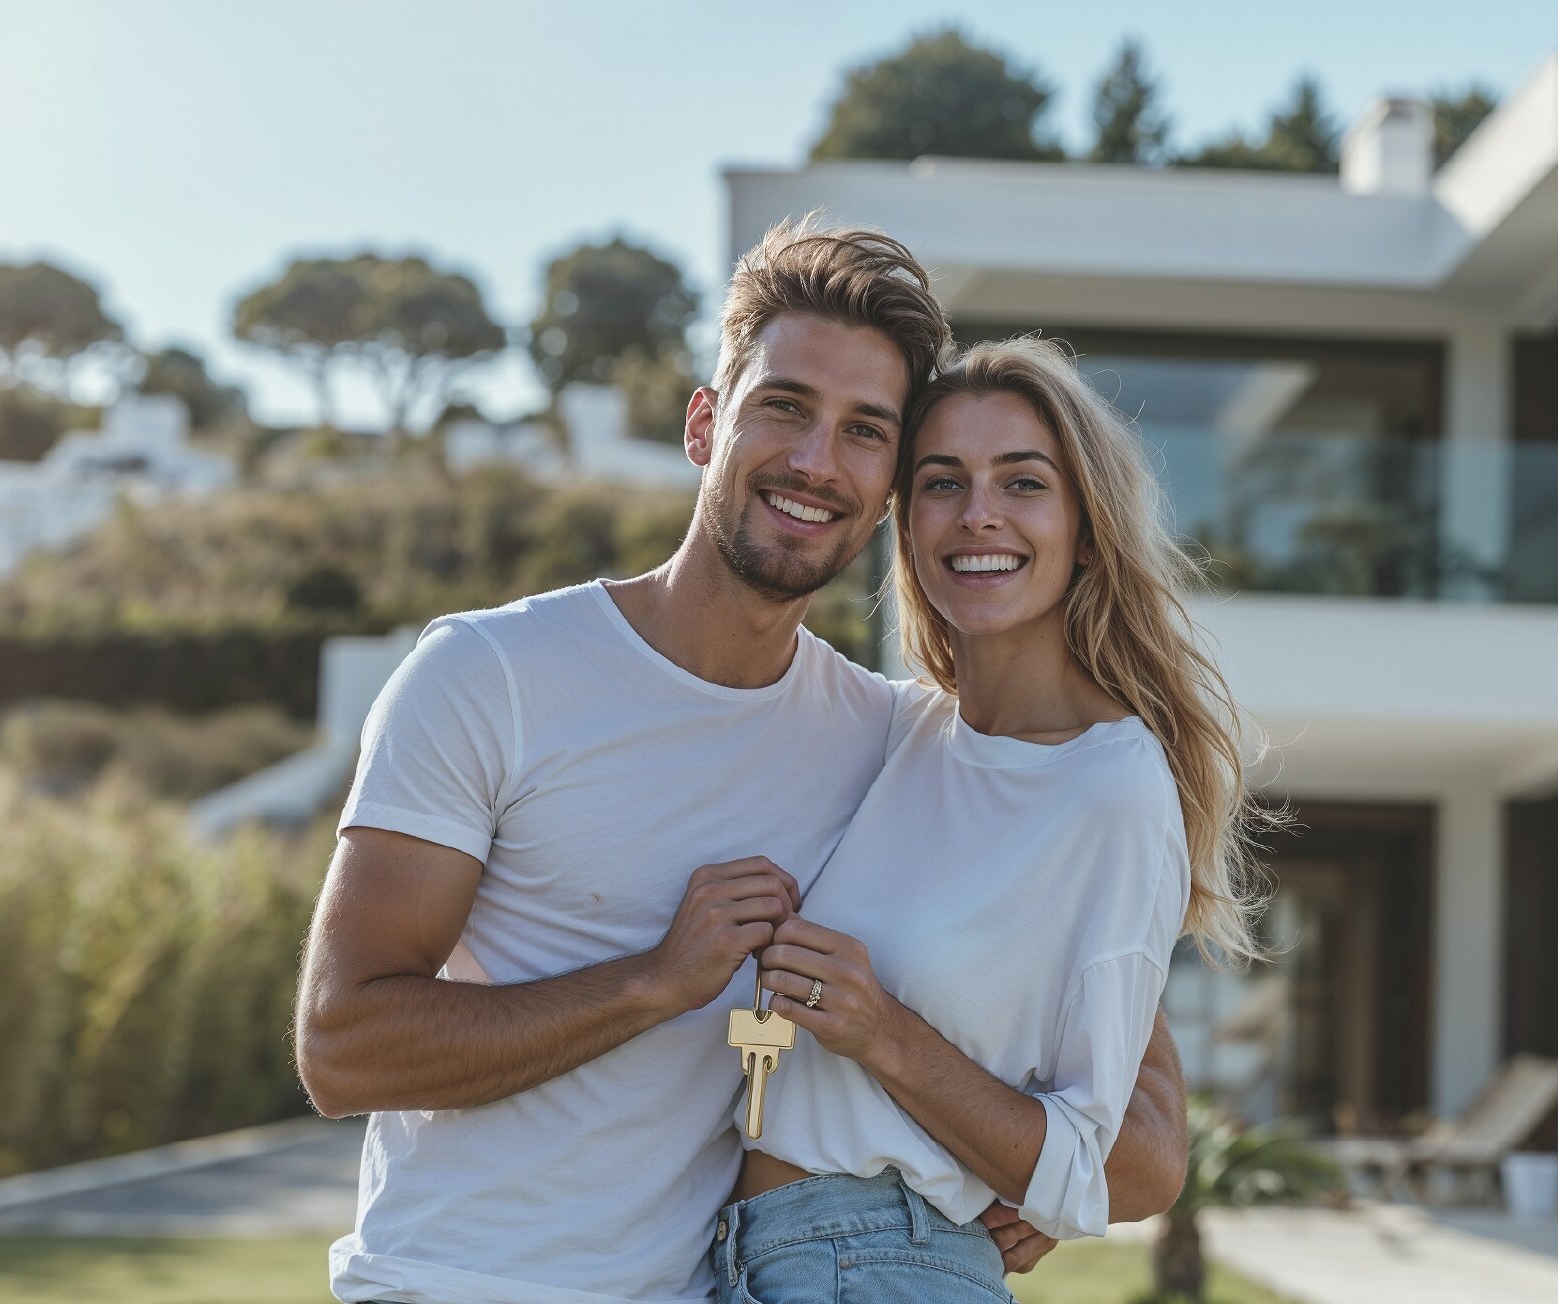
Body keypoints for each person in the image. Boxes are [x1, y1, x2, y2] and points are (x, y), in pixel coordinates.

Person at [294, 219, 1189, 1304]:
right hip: (456, 1281)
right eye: (784, 407)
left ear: (889, 489)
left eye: (866, 431)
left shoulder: (894, 742)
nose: (816, 461)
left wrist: (1001, 1179)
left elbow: (1138, 1141)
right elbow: (342, 1046)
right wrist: (649, 982)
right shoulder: (492, 673)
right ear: (704, 423)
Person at [718, 337, 1271, 1303]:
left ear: (1086, 527)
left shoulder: (1112, 788)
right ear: (907, 521)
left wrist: (883, 1031)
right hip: (743, 1256)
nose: (978, 516)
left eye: (1022, 483)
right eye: (941, 482)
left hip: (887, 1269)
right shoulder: (895, 734)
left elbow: (1105, 1159)